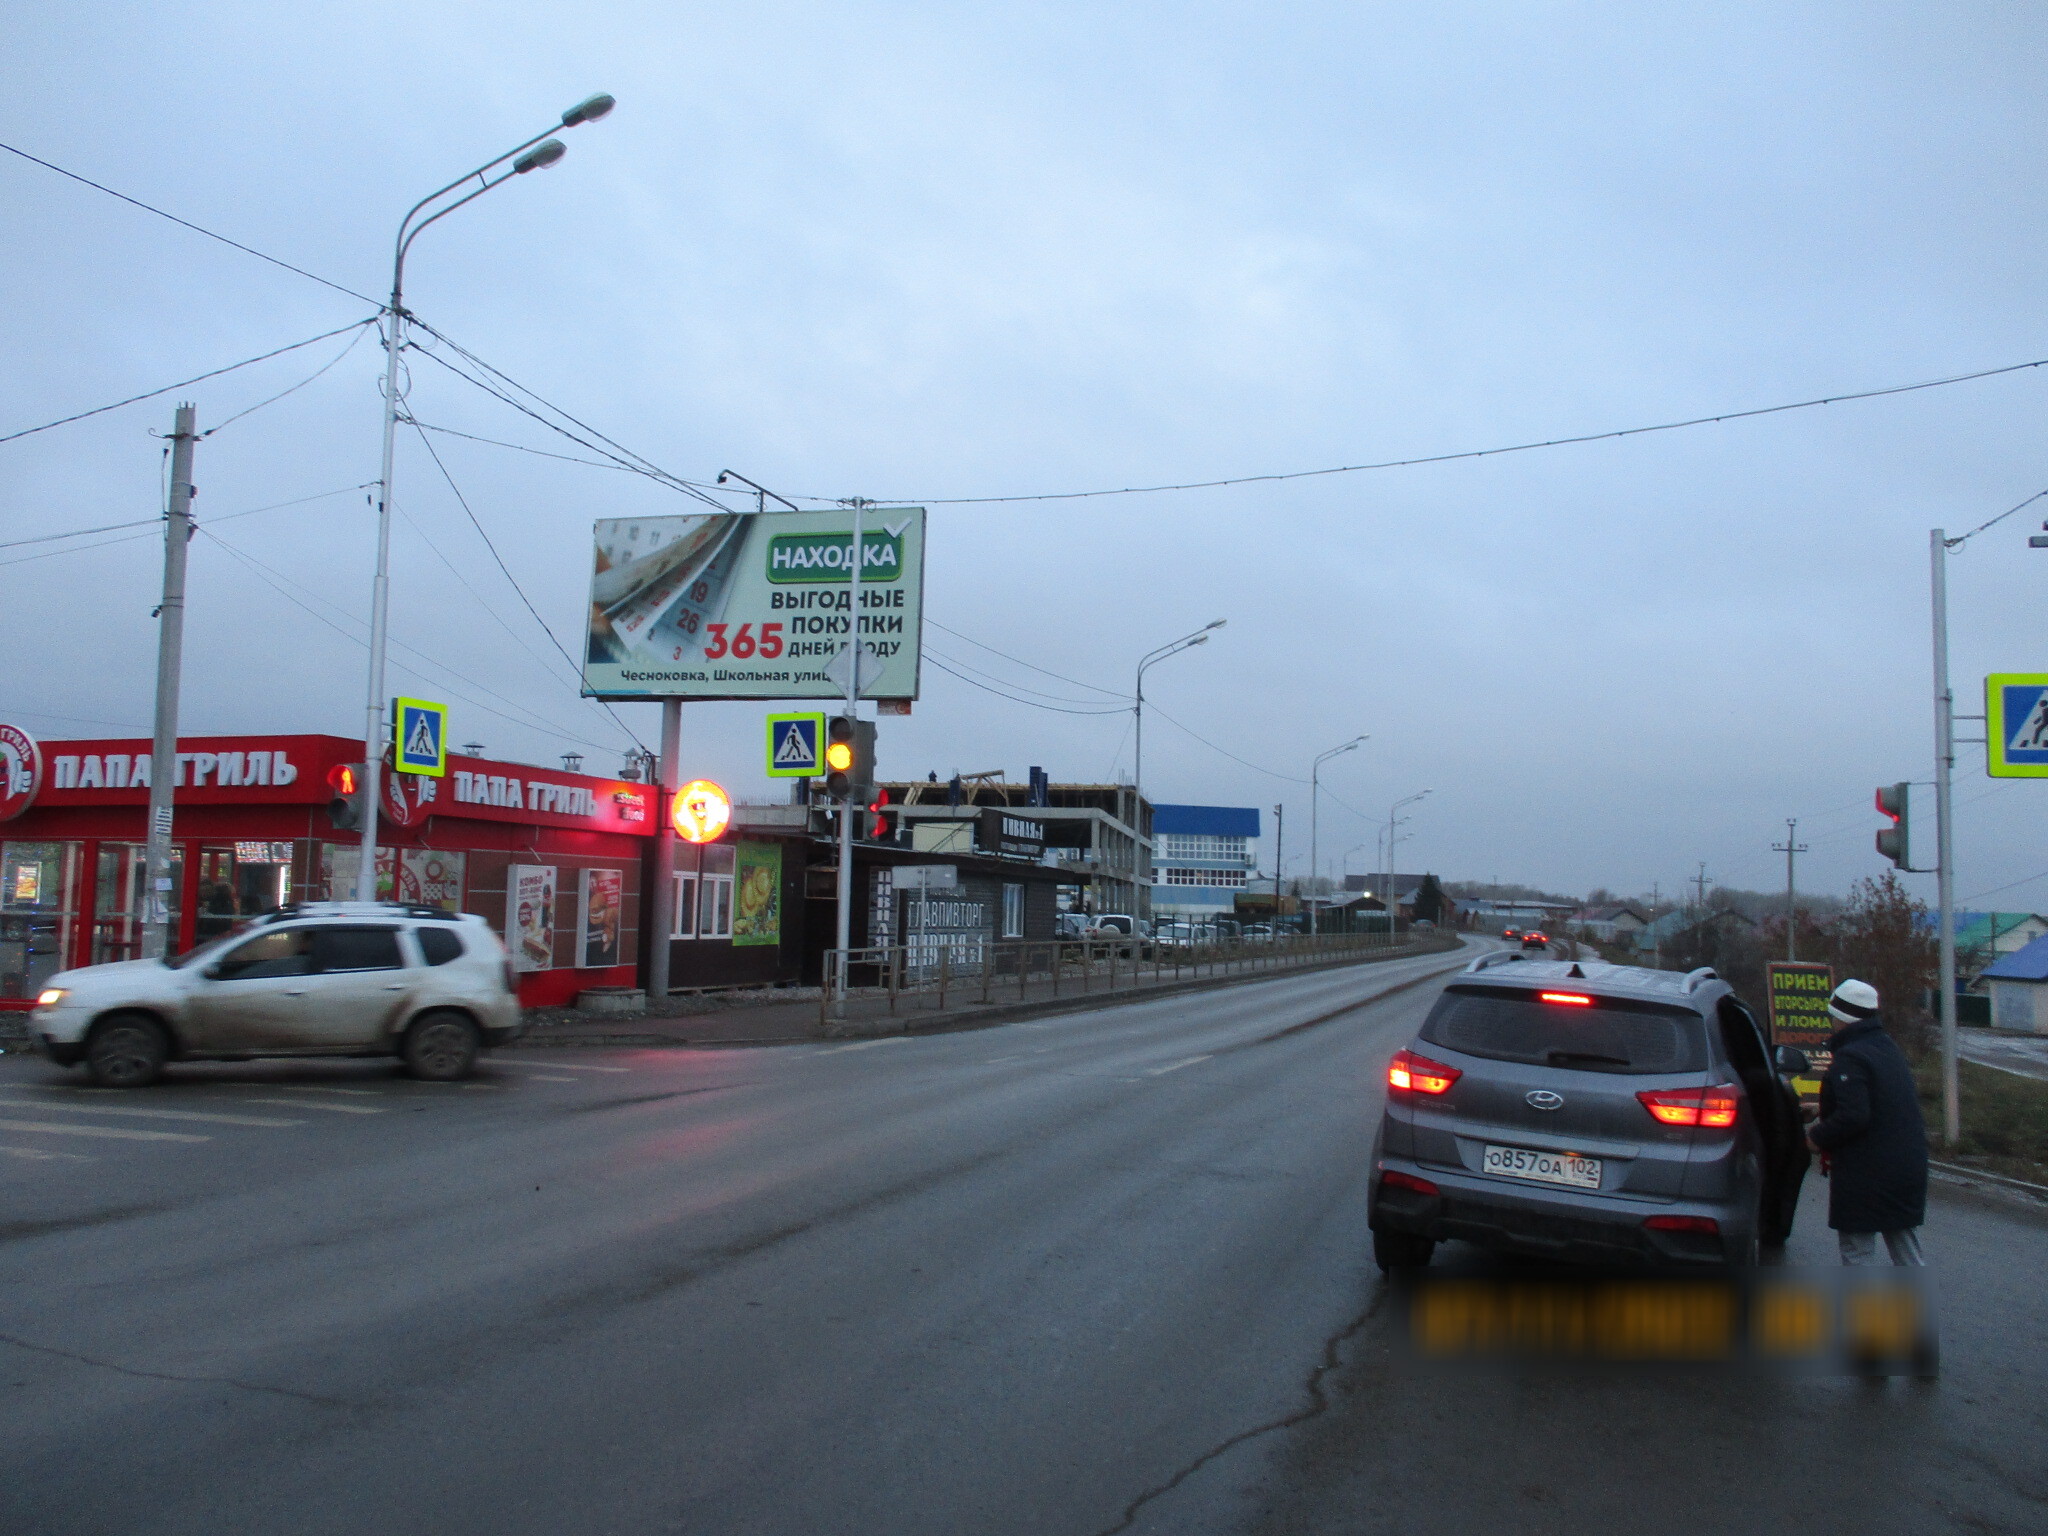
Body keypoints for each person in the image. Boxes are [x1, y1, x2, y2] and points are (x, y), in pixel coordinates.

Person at [1806, 978, 1929, 1265]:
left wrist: (1816, 1137)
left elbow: (1854, 1116)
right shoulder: (1886, 1046)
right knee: (1906, 1251)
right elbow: (1882, 1099)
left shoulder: (1850, 1056)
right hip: (1905, 1167)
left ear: (1841, 1018)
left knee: (1857, 1252)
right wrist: (1821, 1108)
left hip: (1866, 1173)